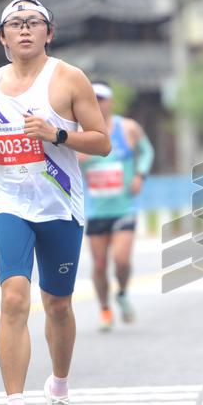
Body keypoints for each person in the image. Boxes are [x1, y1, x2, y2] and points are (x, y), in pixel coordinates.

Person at [0, 0, 110, 405]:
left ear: (49, 32)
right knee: (13, 298)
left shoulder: (68, 78)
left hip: (60, 205)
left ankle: (58, 392)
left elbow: (101, 141)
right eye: (15, 23)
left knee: (58, 305)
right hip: (9, 202)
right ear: (2, 37)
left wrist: (57, 134)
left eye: (34, 22)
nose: (25, 29)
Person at [80, 81, 154, 332]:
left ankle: (121, 292)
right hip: (95, 210)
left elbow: (146, 151)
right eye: (93, 99)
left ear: (110, 101)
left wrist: (140, 175)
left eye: (101, 99)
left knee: (121, 260)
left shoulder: (128, 128)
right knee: (100, 265)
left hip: (124, 207)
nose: (98, 104)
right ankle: (105, 309)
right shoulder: (79, 133)